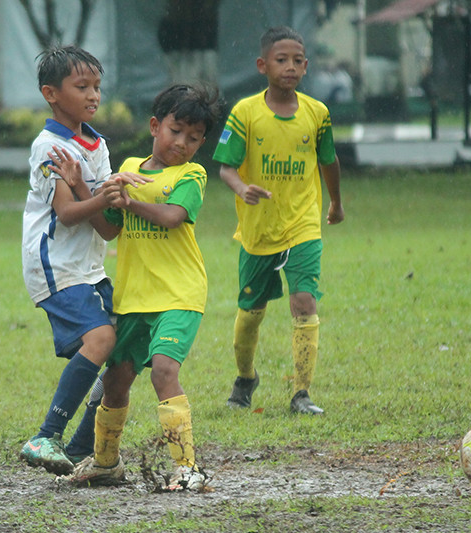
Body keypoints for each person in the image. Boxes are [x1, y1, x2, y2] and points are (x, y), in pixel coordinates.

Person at [62, 83, 221, 492]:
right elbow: (110, 229)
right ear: (155, 125)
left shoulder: (191, 174)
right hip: (133, 298)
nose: (183, 143)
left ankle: (187, 468)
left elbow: (171, 216)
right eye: (176, 130)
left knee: (165, 371)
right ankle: (105, 463)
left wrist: (128, 200)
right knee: (116, 381)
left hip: (179, 294)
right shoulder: (131, 166)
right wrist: (86, 189)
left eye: (195, 137)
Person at [18, 46, 148, 475]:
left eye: (97, 86)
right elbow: (66, 214)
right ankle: (45, 436)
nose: (94, 95)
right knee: (102, 340)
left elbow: (107, 228)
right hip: (54, 265)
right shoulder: (49, 147)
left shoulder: (96, 145)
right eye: (82, 87)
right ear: (51, 94)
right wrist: (88, 196)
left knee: (123, 353)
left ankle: (77, 450)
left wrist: (109, 198)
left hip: (90, 268)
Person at [213, 26, 344, 414]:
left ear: (306, 67)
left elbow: (328, 161)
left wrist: (335, 203)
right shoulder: (245, 112)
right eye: (281, 60)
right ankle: (246, 378)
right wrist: (241, 188)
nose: (290, 67)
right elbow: (226, 168)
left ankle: (301, 393)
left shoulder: (317, 114)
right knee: (251, 315)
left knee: (304, 302)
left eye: (297, 61)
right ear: (262, 65)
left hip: (303, 225)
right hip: (258, 230)